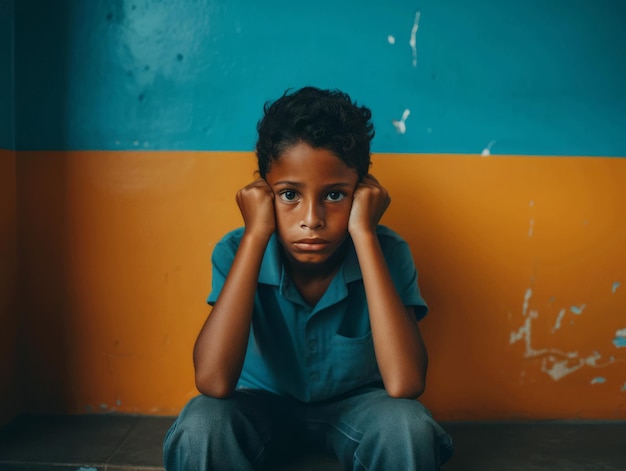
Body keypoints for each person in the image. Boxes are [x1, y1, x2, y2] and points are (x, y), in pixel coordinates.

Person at [163, 87, 454, 470]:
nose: (312, 219)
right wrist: (254, 236)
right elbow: (214, 383)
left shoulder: (388, 251)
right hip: (260, 404)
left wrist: (365, 236)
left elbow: (405, 384)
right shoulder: (236, 250)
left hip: (359, 407)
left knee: (407, 426)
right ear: (263, 193)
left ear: (363, 193)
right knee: (202, 423)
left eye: (335, 195)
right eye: (288, 195)